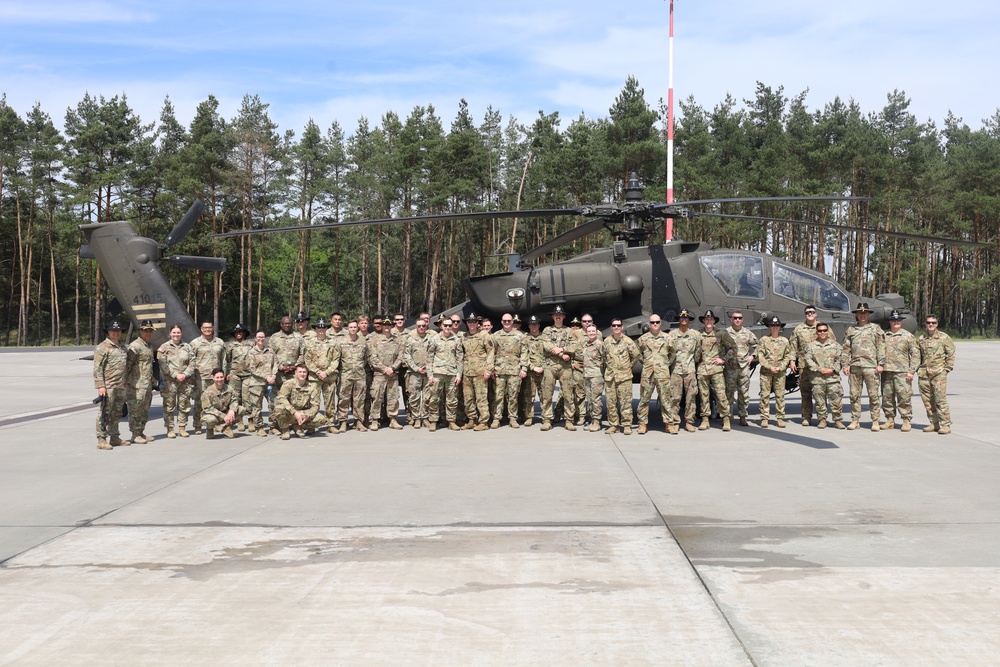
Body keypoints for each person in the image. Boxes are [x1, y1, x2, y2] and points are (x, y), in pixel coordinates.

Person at [842, 303, 886, 431]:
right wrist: (845, 364)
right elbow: (846, 349)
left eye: (865, 313)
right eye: (860, 313)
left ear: (868, 314)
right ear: (856, 314)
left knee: (873, 395)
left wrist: (881, 364)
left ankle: (875, 421)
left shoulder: (876, 329)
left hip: (871, 366)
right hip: (855, 366)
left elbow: (881, 347)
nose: (862, 315)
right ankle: (855, 420)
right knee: (854, 395)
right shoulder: (851, 330)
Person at [788, 305, 834, 426]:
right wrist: (792, 361)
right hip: (804, 366)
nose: (810, 314)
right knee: (805, 392)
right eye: (807, 312)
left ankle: (822, 418)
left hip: (820, 365)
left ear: (816, 313)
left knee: (820, 392)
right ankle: (806, 416)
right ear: (805, 314)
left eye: (812, 312)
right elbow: (792, 346)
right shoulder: (799, 329)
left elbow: (833, 344)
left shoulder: (823, 328)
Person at [541, 306, 579, 431]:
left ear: (563, 316)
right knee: (547, 394)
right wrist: (562, 354)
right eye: (556, 315)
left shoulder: (569, 331)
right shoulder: (547, 330)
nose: (558, 316)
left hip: (565, 367)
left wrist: (562, 349)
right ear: (553, 317)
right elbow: (546, 345)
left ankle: (569, 420)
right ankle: (547, 420)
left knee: (568, 394)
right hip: (550, 366)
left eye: (560, 314)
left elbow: (574, 346)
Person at [881, 310, 920, 431]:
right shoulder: (884, 335)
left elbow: (915, 355)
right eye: (893, 320)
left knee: (904, 397)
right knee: (887, 398)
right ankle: (890, 420)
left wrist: (911, 371)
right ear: (889, 322)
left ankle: (906, 420)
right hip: (886, 372)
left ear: (901, 322)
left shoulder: (908, 336)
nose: (895, 322)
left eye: (898, 320)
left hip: (902, 373)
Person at [917, 314, 955, 435]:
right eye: (928, 322)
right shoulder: (921, 338)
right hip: (924, 373)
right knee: (927, 400)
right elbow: (918, 356)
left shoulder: (944, 338)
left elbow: (951, 354)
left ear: (937, 324)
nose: (931, 325)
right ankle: (934, 423)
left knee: (940, 399)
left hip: (938, 373)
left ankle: (945, 424)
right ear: (925, 324)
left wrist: (946, 369)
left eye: (933, 322)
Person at [93, 319, 128, 449]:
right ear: (108, 332)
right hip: (108, 386)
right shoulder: (102, 347)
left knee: (117, 413)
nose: (116, 333)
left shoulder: (123, 347)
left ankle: (114, 437)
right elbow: (97, 368)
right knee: (104, 413)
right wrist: (101, 386)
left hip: (120, 386)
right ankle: (101, 439)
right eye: (113, 331)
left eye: (118, 331)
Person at [696, 310, 733, 432]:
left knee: (721, 395)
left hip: (716, 370)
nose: (708, 321)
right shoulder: (698, 334)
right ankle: (705, 419)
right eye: (706, 319)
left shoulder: (720, 334)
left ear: (714, 321)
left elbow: (733, 348)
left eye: (710, 319)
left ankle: (726, 419)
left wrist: (723, 359)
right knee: (704, 396)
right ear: (703, 321)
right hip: (702, 370)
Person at [805, 323, 846, 429]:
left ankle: (837, 420)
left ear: (828, 332)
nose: (822, 333)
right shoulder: (811, 346)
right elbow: (808, 360)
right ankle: (822, 420)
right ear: (816, 332)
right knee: (819, 401)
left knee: (836, 400)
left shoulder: (836, 345)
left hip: (832, 378)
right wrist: (820, 369)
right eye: (820, 331)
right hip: (817, 379)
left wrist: (832, 370)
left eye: (824, 330)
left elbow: (840, 360)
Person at [637, 313, 673, 434]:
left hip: (662, 374)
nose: (655, 324)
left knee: (665, 399)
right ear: (649, 323)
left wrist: (664, 364)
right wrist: (648, 363)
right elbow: (639, 355)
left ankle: (669, 424)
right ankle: (642, 424)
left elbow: (672, 355)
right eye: (653, 323)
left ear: (660, 323)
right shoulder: (643, 339)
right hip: (648, 374)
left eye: (657, 322)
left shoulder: (668, 338)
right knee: (644, 399)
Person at [366, 317, 404, 430]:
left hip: (393, 374)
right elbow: (372, 358)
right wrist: (384, 369)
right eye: (385, 325)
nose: (387, 327)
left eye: (389, 325)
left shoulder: (397, 340)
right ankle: (375, 420)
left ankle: (393, 419)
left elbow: (400, 357)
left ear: (392, 326)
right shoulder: (375, 340)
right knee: (377, 397)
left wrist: (392, 368)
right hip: (379, 374)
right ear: (382, 326)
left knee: (393, 397)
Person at [426, 316, 464, 431]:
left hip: (452, 374)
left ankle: (451, 421)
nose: (448, 327)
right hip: (437, 373)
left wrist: (459, 374)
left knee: (452, 399)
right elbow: (429, 358)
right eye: (445, 325)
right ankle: (433, 421)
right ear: (441, 326)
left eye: (450, 325)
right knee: (434, 398)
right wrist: (430, 375)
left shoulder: (456, 339)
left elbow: (459, 358)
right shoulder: (434, 339)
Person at [602, 318, 639, 434]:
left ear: (622, 327)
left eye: (618, 325)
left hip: (624, 377)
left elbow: (636, 356)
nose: (616, 327)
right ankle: (614, 425)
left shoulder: (628, 341)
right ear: (611, 327)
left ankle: (627, 425)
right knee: (611, 402)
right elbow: (604, 358)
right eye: (614, 325)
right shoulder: (607, 341)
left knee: (626, 402)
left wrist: (628, 367)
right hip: (610, 377)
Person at [158, 324, 195, 438]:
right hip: (170, 381)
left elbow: (192, 362)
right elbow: (162, 363)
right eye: (174, 332)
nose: (176, 335)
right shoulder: (164, 347)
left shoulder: (187, 347)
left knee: (184, 405)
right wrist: (175, 375)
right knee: (169, 406)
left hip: (185, 381)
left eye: (178, 332)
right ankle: (170, 429)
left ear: (181, 333)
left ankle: (182, 428)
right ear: (170, 333)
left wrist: (185, 374)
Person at [667, 310, 701, 433]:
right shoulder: (671, 334)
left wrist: (692, 364)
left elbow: (698, 353)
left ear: (689, 320)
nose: (684, 320)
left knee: (691, 397)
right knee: (675, 397)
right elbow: (669, 352)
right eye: (681, 319)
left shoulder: (695, 335)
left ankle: (689, 422)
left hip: (690, 370)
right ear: (679, 320)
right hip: (676, 370)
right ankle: (675, 422)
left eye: (686, 318)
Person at [190, 320, 226, 435]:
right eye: (205, 328)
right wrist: (192, 377)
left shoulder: (219, 342)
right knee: (199, 402)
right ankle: (197, 425)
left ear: (213, 328)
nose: (207, 329)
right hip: (201, 378)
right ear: (201, 329)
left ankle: (215, 424)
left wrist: (223, 374)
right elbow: (191, 361)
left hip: (216, 379)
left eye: (209, 327)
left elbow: (224, 360)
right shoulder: (195, 343)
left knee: (216, 402)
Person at [491, 313, 527, 428]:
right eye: (504, 321)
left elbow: (524, 353)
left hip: (514, 371)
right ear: (501, 322)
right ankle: (496, 418)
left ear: (512, 322)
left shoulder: (520, 336)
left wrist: (524, 368)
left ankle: (513, 418)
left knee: (513, 396)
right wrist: (491, 369)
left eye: (509, 321)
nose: (507, 323)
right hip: (499, 371)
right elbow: (492, 354)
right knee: (498, 396)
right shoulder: (496, 336)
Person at [273, 364, 327, 439]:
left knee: (322, 419)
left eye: (304, 372)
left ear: (307, 373)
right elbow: (282, 398)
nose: (302, 374)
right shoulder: (288, 384)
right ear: (295, 373)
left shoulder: (312, 387)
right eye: (300, 372)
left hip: (303, 413)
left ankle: (298, 426)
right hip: (289, 412)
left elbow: (316, 405)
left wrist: (309, 415)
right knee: (278, 409)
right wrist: (294, 412)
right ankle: (285, 430)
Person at [269, 316, 304, 433]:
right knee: (276, 400)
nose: (287, 325)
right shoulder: (274, 338)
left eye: (289, 324)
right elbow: (271, 355)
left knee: (295, 400)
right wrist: (280, 367)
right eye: (285, 324)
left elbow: (303, 353)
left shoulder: (298, 337)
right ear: (281, 324)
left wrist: (296, 366)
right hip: (279, 374)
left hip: (293, 374)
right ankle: (274, 425)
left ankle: (295, 424)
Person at [304, 317, 341, 426]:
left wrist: (327, 372)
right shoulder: (309, 343)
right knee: (313, 403)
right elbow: (307, 360)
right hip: (315, 378)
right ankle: (312, 425)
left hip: (329, 377)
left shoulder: (333, 343)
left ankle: (330, 424)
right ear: (315, 329)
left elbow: (336, 360)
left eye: (323, 327)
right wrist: (318, 372)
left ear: (326, 328)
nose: (321, 329)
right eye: (319, 327)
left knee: (330, 402)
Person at [723, 311, 757, 427]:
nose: (737, 320)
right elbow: (719, 347)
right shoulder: (726, 332)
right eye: (735, 318)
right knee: (729, 393)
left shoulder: (747, 333)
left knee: (744, 393)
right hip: (730, 367)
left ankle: (742, 416)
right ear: (731, 319)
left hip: (743, 367)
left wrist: (753, 356)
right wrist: (723, 359)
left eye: (739, 318)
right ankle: (727, 417)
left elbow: (758, 346)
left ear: (742, 320)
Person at [125, 319, 157, 444]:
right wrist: (126, 383)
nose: (148, 333)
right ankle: (134, 434)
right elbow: (127, 366)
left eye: (150, 331)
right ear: (140, 331)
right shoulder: (135, 346)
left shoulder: (149, 346)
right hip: (136, 385)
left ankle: (141, 432)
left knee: (144, 410)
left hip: (147, 384)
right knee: (135, 410)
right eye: (145, 331)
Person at [757, 316, 792, 428]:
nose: (775, 328)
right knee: (764, 395)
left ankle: (780, 418)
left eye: (777, 326)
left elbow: (788, 356)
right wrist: (769, 366)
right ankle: (764, 417)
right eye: (773, 326)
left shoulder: (785, 341)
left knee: (780, 395)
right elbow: (760, 355)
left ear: (780, 327)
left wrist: (781, 367)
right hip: (766, 372)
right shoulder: (763, 340)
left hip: (780, 372)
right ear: (769, 327)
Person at [461, 313, 495, 431]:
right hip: (467, 372)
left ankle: (484, 422)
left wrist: (488, 369)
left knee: (481, 398)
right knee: (468, 398)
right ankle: (472, 419)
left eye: (474, 322)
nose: (471, 324)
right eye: (469, 322)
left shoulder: (484, 335)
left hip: (480, 372)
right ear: (466, 323)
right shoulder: (464, 336)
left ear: (477, 323)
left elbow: (491, 352)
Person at [337, 320, 369, 432]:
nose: (353, 329)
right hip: (345, 375)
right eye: (351, 327)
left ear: (358, 328)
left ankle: (358, 421)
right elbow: (337, 359)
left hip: (360, 375)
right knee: (343, 399)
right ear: (348, 328)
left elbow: (367, 357)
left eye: (355, 327)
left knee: (359, 400)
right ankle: (343, 422)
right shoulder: (341, 342)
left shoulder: (363, 342)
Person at [403, 318, 434, 428]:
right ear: (416, 327)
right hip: (414, 373)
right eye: (419, 326)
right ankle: (416, 418)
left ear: (426, 326)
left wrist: (428, 368)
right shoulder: (410, 339)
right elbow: (406, 355)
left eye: (423, 326)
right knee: (414, 396)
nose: (421, 328)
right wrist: (416, 368)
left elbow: (434, 354)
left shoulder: (431, 339)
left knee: (427, 396)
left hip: (427, 372)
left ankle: (425, 417)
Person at [244, 330, 277, 436]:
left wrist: (273, 376)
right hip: (257, 384)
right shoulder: (251, 352)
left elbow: (275, 364)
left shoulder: (270, 351)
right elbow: (252, 368)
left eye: (262, 337)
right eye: (259, 337)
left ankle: (273, 426)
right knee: (256, 407)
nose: (261, 339)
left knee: (273, 405)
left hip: (270, 383)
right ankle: (259, 427)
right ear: (255, 338)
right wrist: (266, 377)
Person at [225, 324, 253, 431]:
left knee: (248, 398)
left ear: (244, 333)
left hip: (248, 375)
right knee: (235, 398)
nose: (238, 334)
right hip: (235, 375)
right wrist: (227, 373)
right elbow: (227, 360)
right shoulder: (231, 346)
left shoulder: (251, 345)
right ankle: (239, 421)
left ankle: (250, 420)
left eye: (240, 332)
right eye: (236, 332)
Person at [201, 368, 243, 439]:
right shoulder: (208, 392)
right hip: (213, 415)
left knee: (241, 409)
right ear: (213, 378)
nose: (219, 379)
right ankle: (210, 430)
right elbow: (207, 408)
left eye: (221, 377)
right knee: (209, 419)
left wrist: (232, 410)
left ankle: (227, 428)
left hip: (226, 413)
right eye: (217, 377)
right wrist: (223, 416)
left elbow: (235, 400)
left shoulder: (229, 389)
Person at [521, 316, 547, 426]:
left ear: (539, 325)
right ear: (529, 326)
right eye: (532, 324)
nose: (534, 326)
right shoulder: (525, 339)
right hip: (531, 371)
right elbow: (523, 356)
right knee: (529, 396)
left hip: (544, 371)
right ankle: (529, 417)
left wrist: (543, 367)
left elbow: (549, 354)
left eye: (536, 324)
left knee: (545, 396)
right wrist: (533, 367)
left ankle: (546, 417)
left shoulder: (545, 338)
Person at [580, 325, 605, 431]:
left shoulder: (600, 344)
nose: (591, 333)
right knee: (589, 399)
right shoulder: (586, 344)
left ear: (596, 332)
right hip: (587, 375)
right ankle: (592, 420)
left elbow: (606, 359)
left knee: (596, 399)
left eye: (593, 331)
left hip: (596, 375)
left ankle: (597, 421)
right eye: (589, 331)